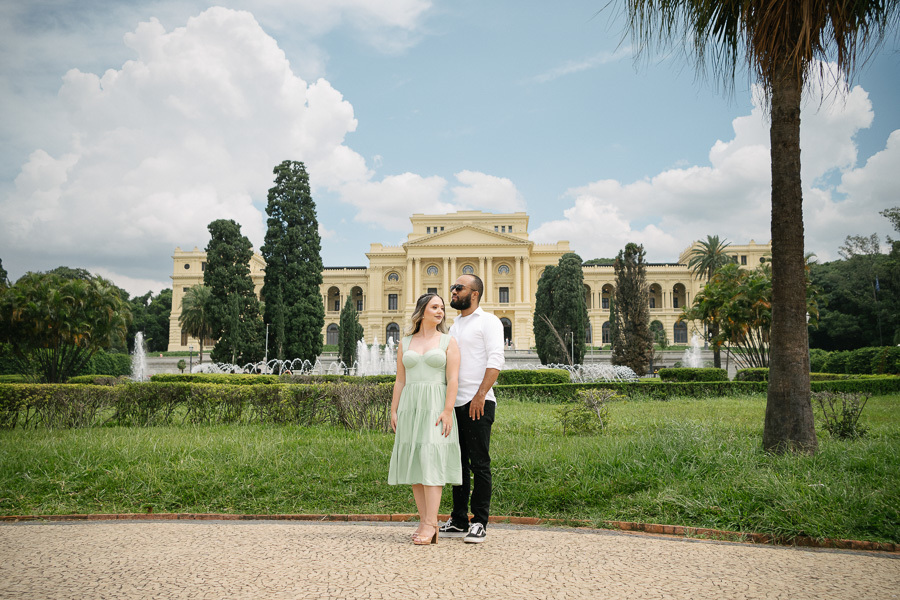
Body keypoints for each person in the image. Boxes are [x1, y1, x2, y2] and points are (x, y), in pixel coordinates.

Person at [387, 293, 462, 545]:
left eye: (442, 307)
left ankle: (432, 523)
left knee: (431, 461)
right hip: (410, 406)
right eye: (434, 307)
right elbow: (400, 379)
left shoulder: (448, 341)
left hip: (435, 406)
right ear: (422, 311)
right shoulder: (405, 342)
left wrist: (448, 410)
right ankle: (424, 521)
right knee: (416, 463)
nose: (440, 311)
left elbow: (453, 379)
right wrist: (394, 409)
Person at [440, 274, 504, 544]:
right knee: (457, 465)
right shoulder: (454, 326)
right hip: (454, 404)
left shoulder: (489, 321)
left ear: (474, 293)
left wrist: (480, 395)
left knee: (479, 464)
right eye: (453, 288)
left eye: (458, 288)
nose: (452, 292)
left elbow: (496, 360)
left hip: (478, 403)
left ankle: (480, 521)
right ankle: (458, 519)